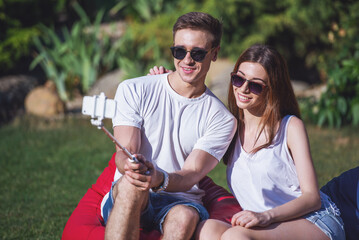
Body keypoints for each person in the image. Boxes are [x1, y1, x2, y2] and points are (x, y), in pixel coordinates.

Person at [149, 44, 346, 240]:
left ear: (272, 90)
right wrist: (172, 84)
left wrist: (265, 216)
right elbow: (191, 111)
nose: (243, 89)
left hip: (311, 221)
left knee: (235, 236)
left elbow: (312, 198)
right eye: (238, 79)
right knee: (206, 229)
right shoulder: (229, 128)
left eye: (255, 85)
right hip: (266, 225)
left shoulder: (290, 127)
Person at [101, 12, 237, 240]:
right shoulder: (134, 89)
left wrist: (159, 178)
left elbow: (191, 173)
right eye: (179, 51)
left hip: (182, 199)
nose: (187, 60)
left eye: (198, 53)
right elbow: (123, 152)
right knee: (132, 185)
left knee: (183, 217)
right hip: (129, 191)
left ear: (214, 54)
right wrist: (131, 166)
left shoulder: (222, 119)